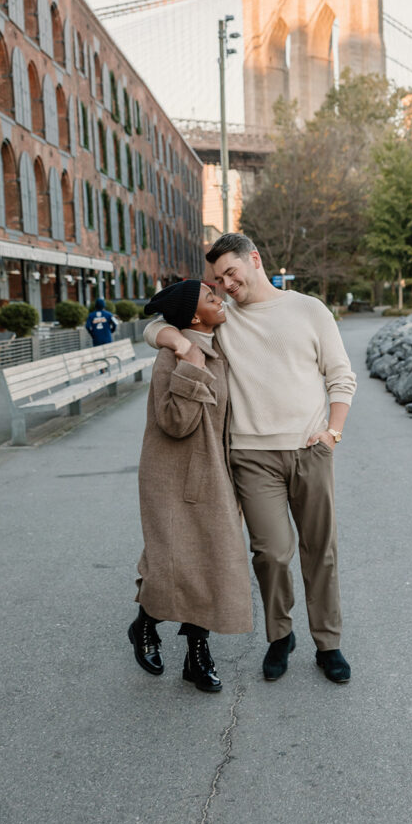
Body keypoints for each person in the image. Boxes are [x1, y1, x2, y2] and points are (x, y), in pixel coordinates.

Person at [145, 233, 357, 685]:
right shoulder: (224, 318)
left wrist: (332, 434)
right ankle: (280, 636)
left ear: (254, 260)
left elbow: (341, 376)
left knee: (321, 551)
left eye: (230, 273)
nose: (224, 284)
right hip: (251, 456)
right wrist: (173, 340)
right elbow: (158, 326)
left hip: (311, 450)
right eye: (217, 279)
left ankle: (328, 643)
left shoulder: (309, 309)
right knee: (272, 553)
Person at [128, 279, 253, 693]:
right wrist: (188, 360)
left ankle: (196, 656)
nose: (222, 300)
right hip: (172, 477)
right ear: (196, 315)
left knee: (209, 562)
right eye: (212, 298)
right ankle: (145, 624)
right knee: (173, 562)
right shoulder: (174, 355)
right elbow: (176, 422)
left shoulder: (218, 339)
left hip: (213, 474)